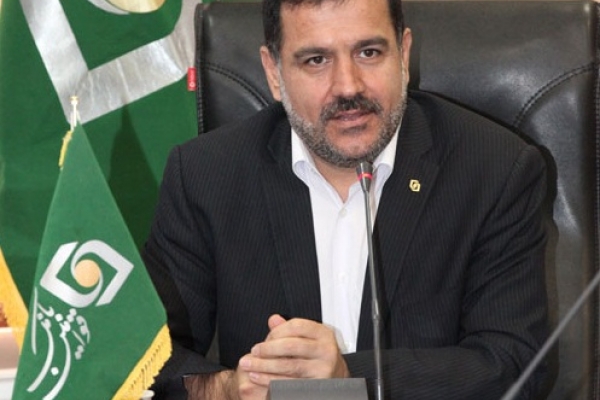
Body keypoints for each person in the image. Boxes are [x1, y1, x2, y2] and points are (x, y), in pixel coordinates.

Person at [142, 0, 549, 398]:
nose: (348, 86)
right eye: (316, 60)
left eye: (368, 52)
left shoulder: (494, 170)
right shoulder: (206, 175)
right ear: (274, 73)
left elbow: (514, 364)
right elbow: (138, 356)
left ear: (404, 54)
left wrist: (348, 378)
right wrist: (222, 389)